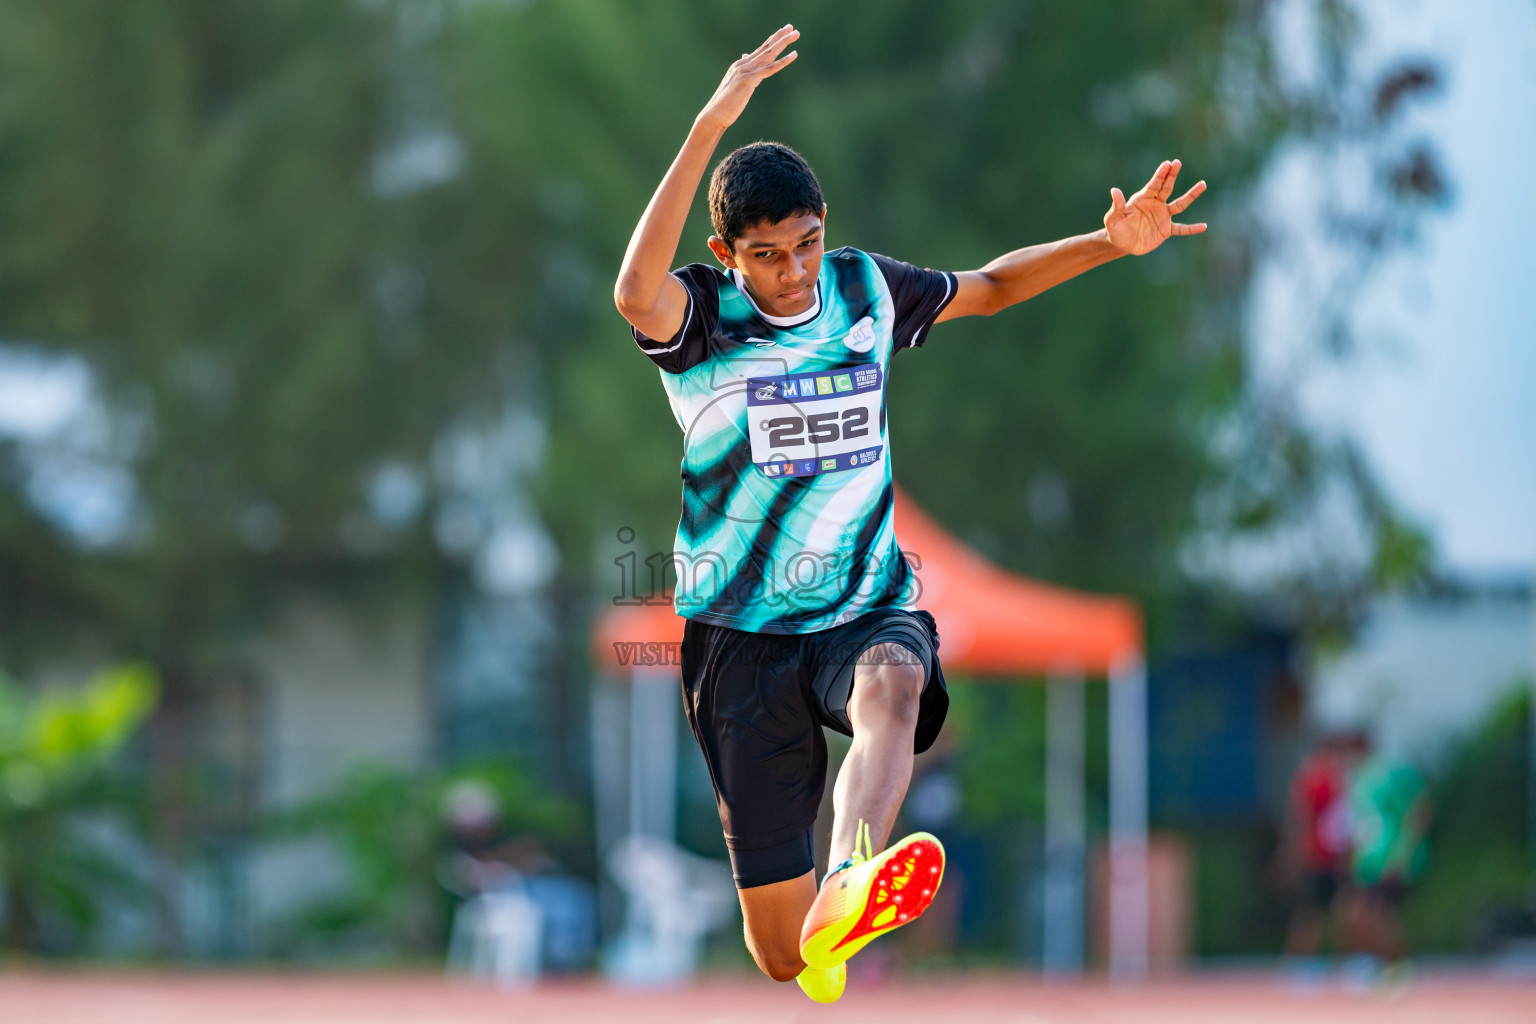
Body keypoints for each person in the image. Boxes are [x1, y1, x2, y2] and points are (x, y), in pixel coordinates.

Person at [612, 24, 1207, 1003]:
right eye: (767, 257)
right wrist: (710, 122)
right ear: (726, 252)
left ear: (824, 226)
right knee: (780, 954)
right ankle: (820, 924)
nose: (795, 272)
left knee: (892, 686)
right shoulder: (701, 319)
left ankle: (853, 871)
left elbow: (996, 285)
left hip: (861, 601)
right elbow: (634, 288)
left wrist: (1109, 241)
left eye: (805, 244)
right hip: (739, 635)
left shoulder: (863, 289)